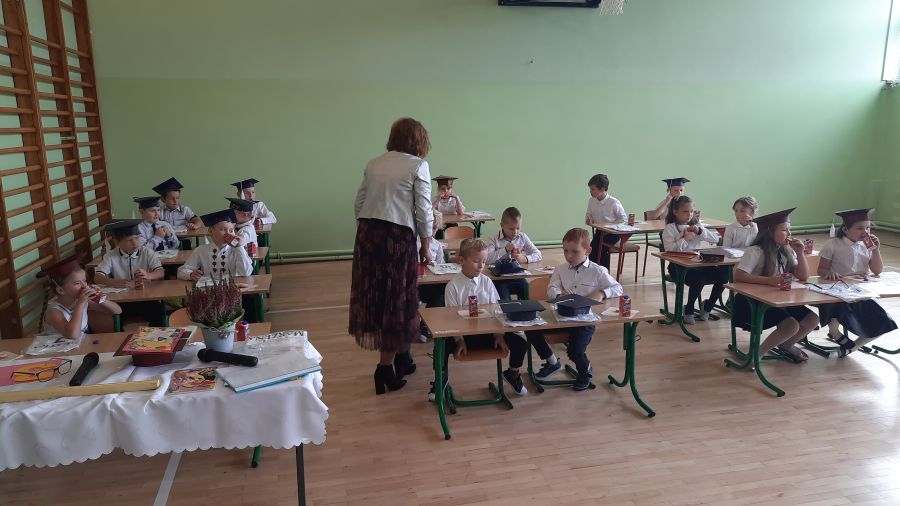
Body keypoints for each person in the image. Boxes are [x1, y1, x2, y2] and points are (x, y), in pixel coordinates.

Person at [350, 117, 434, 395]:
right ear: (419, 141)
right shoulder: (418, 165)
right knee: (397, 300)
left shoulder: (374, 163)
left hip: (368, 233)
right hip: (397, 237)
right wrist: (426, 244)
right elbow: (424, 210)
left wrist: (368, 231)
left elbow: (359, 203)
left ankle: (402, 358)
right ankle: (384, 368)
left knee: (379, 298)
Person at [526, 228, 623, 391]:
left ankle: (585, 372)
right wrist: (559, 294)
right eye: (565, 251)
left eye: (575, 252)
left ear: (588, 251)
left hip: (584, 320)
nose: (569, 256)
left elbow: (617, 288)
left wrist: (601, 293)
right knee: (530, 328)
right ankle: (552, 362)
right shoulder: (560, 269)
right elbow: (551, 288)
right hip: (561, 316)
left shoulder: (597, 271)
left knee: (574, 351)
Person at [441, 238, 528, 396]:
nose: (481, 265)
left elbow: (497, 311)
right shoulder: (452, 286)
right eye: (476, 261)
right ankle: (441, 379)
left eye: (483, 261)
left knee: (520, 341)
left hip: (488, 334)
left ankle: (513, 373)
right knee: (440, 346)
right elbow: (451, 319)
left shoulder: (487, 282)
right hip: (464, 337)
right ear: (462, 260)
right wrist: (459, 340)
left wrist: (499, 335)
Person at [733, 208, 819, 362]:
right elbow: (739, 276)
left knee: (812, 319)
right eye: (784, 230)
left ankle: (787, 344)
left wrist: (800, 253)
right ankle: (756, 355)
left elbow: (803, 276)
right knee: (791, 325)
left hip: (778, 299)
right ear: (769, 232)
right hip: (752, 302)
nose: (789, 234)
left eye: (789, 230)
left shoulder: (786, 251)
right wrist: (768, 280)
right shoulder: (755, 251)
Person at [816, 208, 897, 356]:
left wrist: (876, 250)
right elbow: (821, 270)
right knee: (836, 308)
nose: (865, 232)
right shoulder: (833, 244)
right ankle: (835, 333)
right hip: (838, 291)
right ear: (845, 229)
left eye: (868, 227)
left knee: (884, 321)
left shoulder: (867, 245)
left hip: (860, 292)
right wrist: (829, 273)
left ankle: (852, 347)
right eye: (860, 228)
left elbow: (877, 271)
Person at [662, 195, 726, 323]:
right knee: (699, 279)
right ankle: (689, 308)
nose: (689, 215)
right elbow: (669, 251)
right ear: (675, 212)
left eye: (691, 211)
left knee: (723, 276)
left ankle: (708, 306)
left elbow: (715, 239)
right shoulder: (670, 228)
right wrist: (685, 240)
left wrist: (700, 231)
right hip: (677, 267)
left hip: (697, 263)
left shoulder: (696, 225)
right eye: (685, 211)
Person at [94, 220, 167, 326]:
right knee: (112, 320)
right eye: (129, 240)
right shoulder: (111, 256)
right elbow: (98, 277)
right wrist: (115, 282)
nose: (135, 243)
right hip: (122, 301)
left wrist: (148, 275)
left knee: (158, 314)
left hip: (146, 298)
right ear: (117, 241)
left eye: (137, 238)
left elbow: (160, 272)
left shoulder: (147, 252)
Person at [37, 256, 121, 340]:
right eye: (77, 283)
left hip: (82, 344)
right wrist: (80, 304)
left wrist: (98, 297)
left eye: (84, 281)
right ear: (60, 290)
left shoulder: (83, 301)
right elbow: (73, 335)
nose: (84, 286)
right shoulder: (54, 312)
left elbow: (117, 310)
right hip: (59, 347)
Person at [487, 206, 542, 301]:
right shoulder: (494, 239)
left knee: (525, 288)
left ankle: (525, 310)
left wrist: (525, 258)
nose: (515, 232)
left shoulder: (522, 237)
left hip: (518, 277)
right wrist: (505, 249)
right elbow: (488, 259)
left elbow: (538, 254)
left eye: (518, 228)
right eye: (511, 229)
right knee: (504, 298)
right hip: (499, 280)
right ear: (502, 225)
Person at [583, 173, 627, 268]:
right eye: (590, 189)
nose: (590, 192)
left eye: (593, 189)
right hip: (600, 232)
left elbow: (623, 219)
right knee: (592, 248)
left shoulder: (614, 202)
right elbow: (588, 213)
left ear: (602, 189)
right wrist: (589, 219)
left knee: (603, 247)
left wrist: (611, 228)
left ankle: (604, 272)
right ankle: (592, 270)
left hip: (613, 233)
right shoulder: (591, 201)